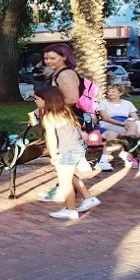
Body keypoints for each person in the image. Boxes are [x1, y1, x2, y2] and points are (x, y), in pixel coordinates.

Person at [38, 44, 92, 201]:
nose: (48, 61)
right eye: (46, 58)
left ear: (64, 57)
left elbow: (72, 99)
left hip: (66, 122)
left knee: (63, 160)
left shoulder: (65, 75)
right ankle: (69, 191)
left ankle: (67, 194)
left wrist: (49, 109)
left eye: (52, 58)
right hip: (63, 119)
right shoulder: (57, 74)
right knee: (64, 164)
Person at [35, 87, 100, 220]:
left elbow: (51, 138)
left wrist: (53, 155)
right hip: (77, 148)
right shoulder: (65, 111)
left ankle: (70, 210)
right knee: (70, 176)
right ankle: (88, 198)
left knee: (65, 181)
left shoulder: (49, 117)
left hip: (66, 151)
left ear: (46, 100)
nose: (35, 101)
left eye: (37, 99)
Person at [95, 85, 140, 171]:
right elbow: (105, 118)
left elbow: (135, 117)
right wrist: (122, 124)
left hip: (125, 123)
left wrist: (129, 121)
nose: (110, 93)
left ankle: (127, 155)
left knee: (133, 125)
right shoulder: (103, 102)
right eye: (109, 91)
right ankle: (106, 160)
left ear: (120, 93)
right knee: (115, 133)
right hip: (108, 123)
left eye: (113, 91)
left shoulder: (128, 103)